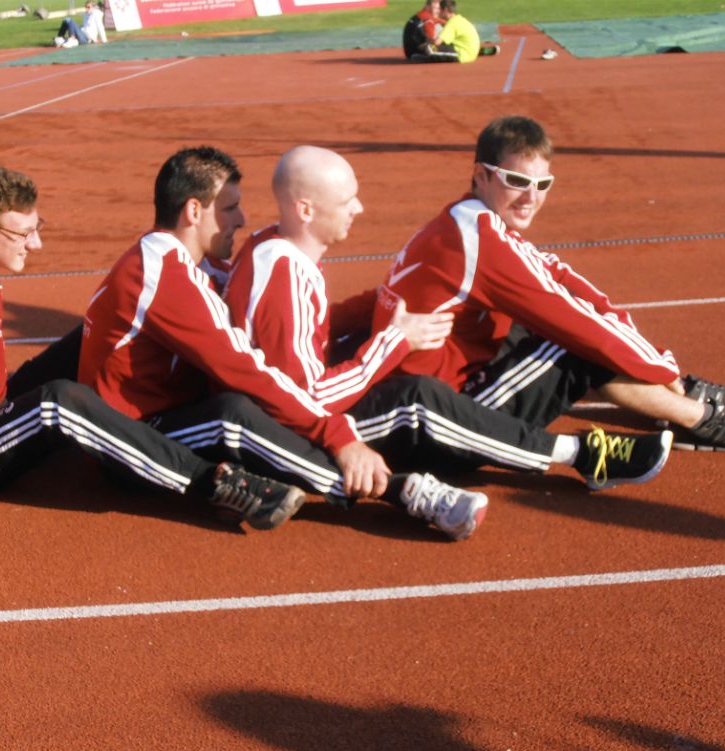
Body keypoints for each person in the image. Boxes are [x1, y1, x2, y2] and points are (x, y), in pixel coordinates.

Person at [0, 168, 306, 555]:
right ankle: (212, 481)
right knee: (57, 401)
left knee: (91, 337)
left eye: (36, 229)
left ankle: (126, 422)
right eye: (23, 234)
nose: (35, 244)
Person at [77, 147, 489, 540]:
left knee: (254, 406)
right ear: (194, 211)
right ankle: (399, 490)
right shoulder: (166, 275)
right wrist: (340, 437)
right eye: (230, 208)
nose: (242, 219)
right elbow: (244, 369)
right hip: (138, 439)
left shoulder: (197, 263)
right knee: (235, 414)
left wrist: (378, 305)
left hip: (177, 409)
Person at [224, 146, 674, 499]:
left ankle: (678, 403)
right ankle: (580, 454)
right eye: (346, 201)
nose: (358, 207)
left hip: (294, 401)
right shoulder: (285, 275)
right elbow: (306, 398)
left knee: (514, 349)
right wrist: (394, 341)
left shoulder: (270, 244)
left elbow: (312, 330)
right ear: (305, 210)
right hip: (293, 428)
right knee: (418, 400)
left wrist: (386, 302)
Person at [373, 116, 725, 453]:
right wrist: (666, 371)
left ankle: (679, 399)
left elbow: (556, 275)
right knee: (577, 346)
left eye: (542, 185)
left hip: (426, 389)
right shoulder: (480, 240)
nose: (531, 197)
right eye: (517, 181)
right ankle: (697, 419)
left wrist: (658, 365)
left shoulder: (467, 220)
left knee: (569, 328)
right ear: (481, 176)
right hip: (443, 419)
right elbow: (580, 325)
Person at [409, 0, 499, 63]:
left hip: (463, 55)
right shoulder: (460, 19)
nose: (438, 12)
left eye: (440, 10)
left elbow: (437, 42)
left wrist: (426, 43)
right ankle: (482, 51)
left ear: (445, 10)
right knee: (439, 47)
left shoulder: (452, 23)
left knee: (431, 49)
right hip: (471, 50)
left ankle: (425, 59)